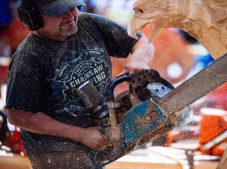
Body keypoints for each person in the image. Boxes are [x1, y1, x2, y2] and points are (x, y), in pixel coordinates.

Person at [4, 0, 154, 168]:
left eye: (73, 7)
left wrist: (139, 58)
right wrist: (81, 135)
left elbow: (142, 42)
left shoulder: (88, 23)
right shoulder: (29, 56)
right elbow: (18, 115)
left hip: (97, 135)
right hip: (57, 153)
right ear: (34, 18)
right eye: (59, 12)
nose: (70, 16)